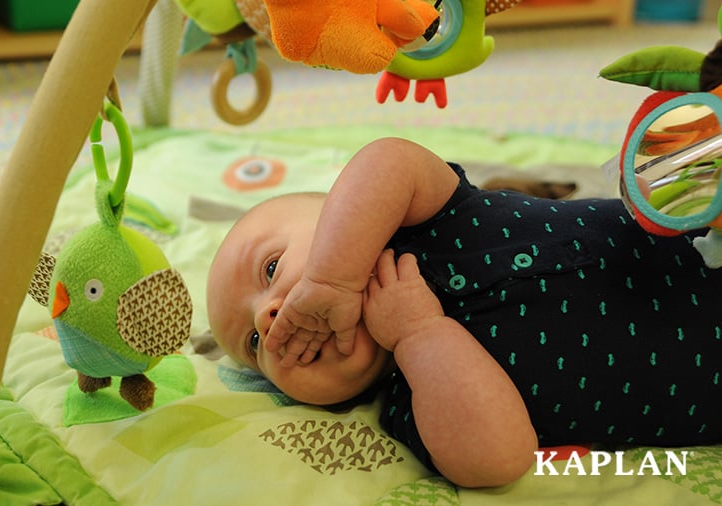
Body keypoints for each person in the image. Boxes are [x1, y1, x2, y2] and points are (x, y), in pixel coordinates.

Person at [205, 137, 722, 488]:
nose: (266, 319)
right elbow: (498, 461)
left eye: (271, 269)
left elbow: (387, 160)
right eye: (254, 347)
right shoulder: (417, 409)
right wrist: (419, 335)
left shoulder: (436, 215)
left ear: (343, 213)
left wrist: (331, 279)